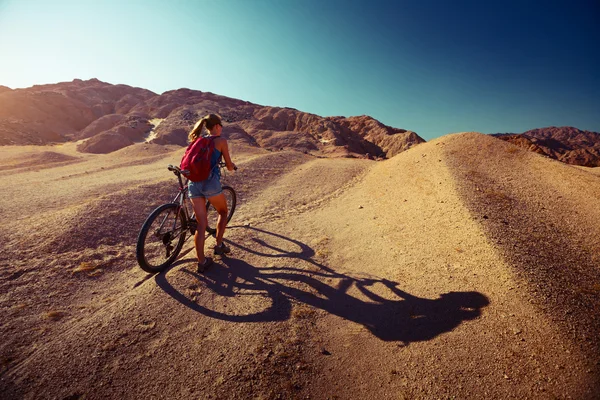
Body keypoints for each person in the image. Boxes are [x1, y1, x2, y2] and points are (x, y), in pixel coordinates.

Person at [187, 114, 237, 272]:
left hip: (193, 184)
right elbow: (228, 165)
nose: (222, 128)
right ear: (216, 126)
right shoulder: (221, 141)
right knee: (223, 211)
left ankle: (201, 261)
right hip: (210, 183)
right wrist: (232, 166)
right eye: (221, 125)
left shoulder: (198, 140)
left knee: (201, 224)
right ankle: (219, 245)